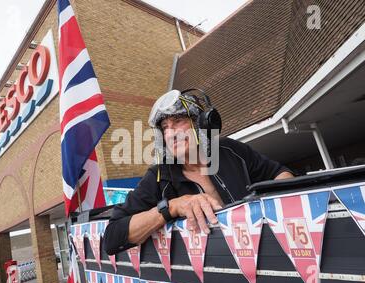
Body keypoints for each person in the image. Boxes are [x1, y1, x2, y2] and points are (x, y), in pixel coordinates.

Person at [103, 89, 294, 255]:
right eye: (165, 128)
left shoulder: (230, 151)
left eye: (178, 121)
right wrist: (171, 207)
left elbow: (280, 173)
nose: (170, 133)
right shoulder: (159, 177)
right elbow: (112, 237)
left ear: (201, 123)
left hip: (267, 252)